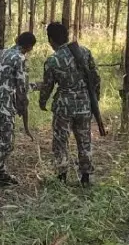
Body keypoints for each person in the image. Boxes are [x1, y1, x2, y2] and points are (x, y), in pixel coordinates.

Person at [38, 21, 100, 187]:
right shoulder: (85, 52)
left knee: (60, 141)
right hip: (84, 104)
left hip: (64, 106)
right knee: (84, 140)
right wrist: (95, 99)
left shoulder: (53, 60)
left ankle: (61, 176)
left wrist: (42, 101)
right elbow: (95, 78)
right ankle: (86, 176)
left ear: (51, 40)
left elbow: (47, 85)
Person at [0, 31, 36, 186]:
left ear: (16, 40)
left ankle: (0, 173)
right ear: (29, 47)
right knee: (7, 143)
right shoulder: (20, 58)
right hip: (4, 107)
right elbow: (21, 87)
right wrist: (24, 102)